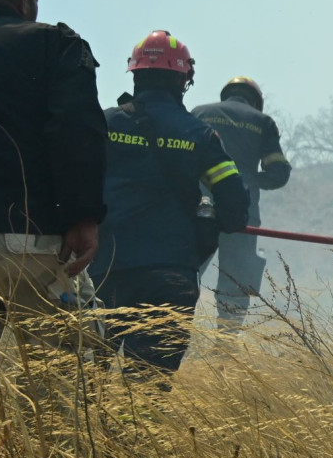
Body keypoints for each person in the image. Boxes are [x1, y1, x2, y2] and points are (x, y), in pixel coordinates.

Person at [89, 31, 248, 380]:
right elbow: (235, 209)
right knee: (147, 386)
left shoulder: (104, 124)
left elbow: (70, 183)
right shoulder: (200, 135)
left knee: (85, 383)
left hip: (102, 270)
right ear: (183, 79)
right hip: (169, 275)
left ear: (135, 75)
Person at [0, 0, 108, 352]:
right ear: (25, 1)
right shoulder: (55, 44)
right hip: (30, 240)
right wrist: (83, 216)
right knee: (62, 375)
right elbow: (77, 133)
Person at [192, 77, 291, 321]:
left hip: (196, 209)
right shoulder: (263, 122)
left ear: (227, 94)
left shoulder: (199, 112)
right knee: (235, 282)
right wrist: (248, 180)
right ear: (255, 101)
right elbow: (279, 173)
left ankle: (169, 330)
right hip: (242, 214)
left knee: (185, 271)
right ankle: (228, 338)